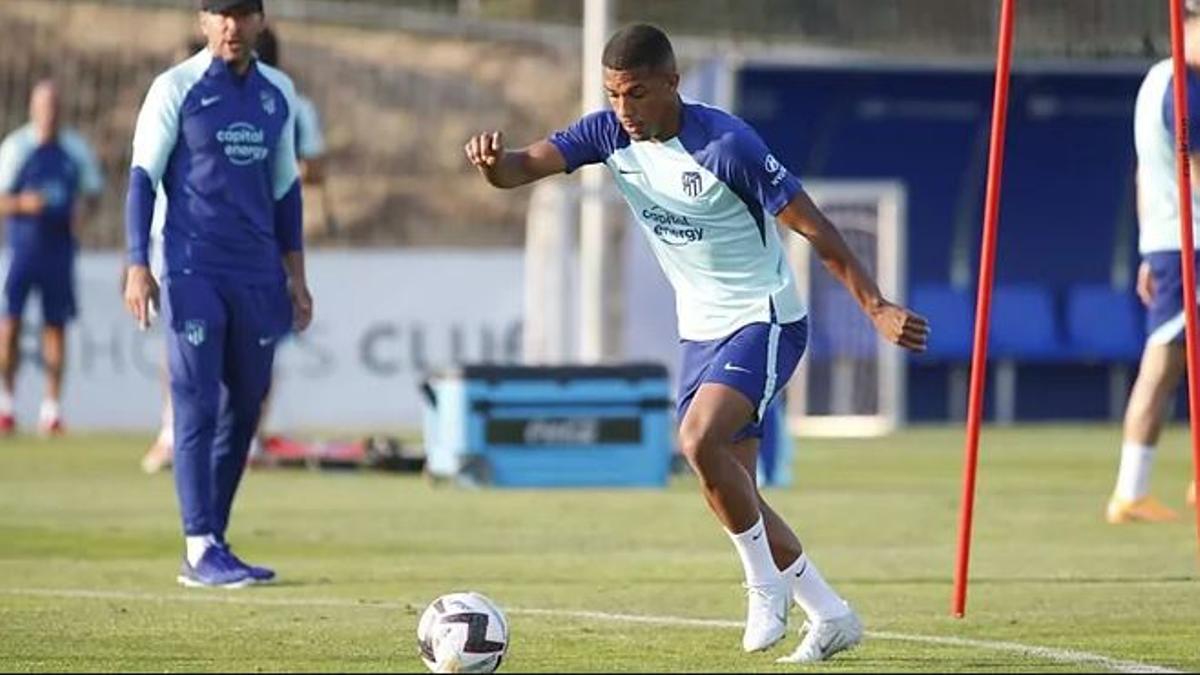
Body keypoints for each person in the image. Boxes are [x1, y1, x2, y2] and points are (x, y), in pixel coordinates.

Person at [464, 24, 928, 664]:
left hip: (764, 319)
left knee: (695, 441)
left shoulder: (728, 145)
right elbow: (522, 168)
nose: (624, 110)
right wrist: (494, 168)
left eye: (637, 94)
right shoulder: (606, 133)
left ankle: (764, 587)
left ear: (671, 84)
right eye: (613, 94)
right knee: (734, 488)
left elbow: (815, 226)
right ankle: (831, 613)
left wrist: (875, 306)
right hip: (700, 330)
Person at [123, 0, 313, 587]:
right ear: (203, 21)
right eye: (220, 14)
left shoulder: (277, 91)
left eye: (242, 14)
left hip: (257, 275)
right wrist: (136, 264)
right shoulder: (174, 88)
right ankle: (198, 541)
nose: (231, 26)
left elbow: (286, 192)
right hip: (191, 267)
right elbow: (141, 178)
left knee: (246, 405)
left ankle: (214, 544)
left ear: (260, 21)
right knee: (197, 399)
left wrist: (297, 277)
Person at [1109, 0, 1200, 524]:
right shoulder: (1182, 89)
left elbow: (1147, 172)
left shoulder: (1156, 80)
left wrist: (1148, 246)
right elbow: (1193, 171)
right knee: (1162, 365)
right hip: (1189, 242)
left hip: (1168, 240)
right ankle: (1129, 491)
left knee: (1168, 364)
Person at [0, 79, 103, 436]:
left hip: (59, 251)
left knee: (55, 328)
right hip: (23, 250)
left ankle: (51, 409)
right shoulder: (17, 148)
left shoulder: (75, 149)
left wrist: (82, 212)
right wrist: (22, 204)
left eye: (54, 105)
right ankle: (7, 404)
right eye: (43, 105)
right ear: (32, 108)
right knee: (9, 325)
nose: (49, 113)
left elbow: (93, 194)